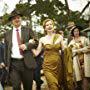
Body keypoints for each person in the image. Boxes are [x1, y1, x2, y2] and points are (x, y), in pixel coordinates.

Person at [4, 10, 36, 90]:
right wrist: (6, 64)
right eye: (14, 18)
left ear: (21, 19)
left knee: (28, 87)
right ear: (11, 21)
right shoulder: (7, 34)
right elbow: (6, 50)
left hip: (27, 63)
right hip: (13, 64)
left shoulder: (28, 30)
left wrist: (27, 45)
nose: (16, 19)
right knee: (16, 86)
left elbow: (36, 42)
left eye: (18, 17)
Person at [31, 19, 66, 90]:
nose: (49, 26)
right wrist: (30, 46)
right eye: (47, 25)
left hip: (59, 65)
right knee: (53, 86)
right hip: (47, 66)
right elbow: (36, 53)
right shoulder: (42, 39)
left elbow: (64, 50)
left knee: (59, 86)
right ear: (44, 28)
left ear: (53, 26)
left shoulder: (59, 37)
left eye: (51, 24)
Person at [68, 26, 90, 90]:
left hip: (86, 59)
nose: (76, 32)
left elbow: (89, 47)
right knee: (78, 76)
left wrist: (78, 50)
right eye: (75, 31)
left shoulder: (84, 39)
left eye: (77, 31)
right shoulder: (71, 42)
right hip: (76, 61)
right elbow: (70, 52)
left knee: (86, 75)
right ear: (72, 33)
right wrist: (75, 52)